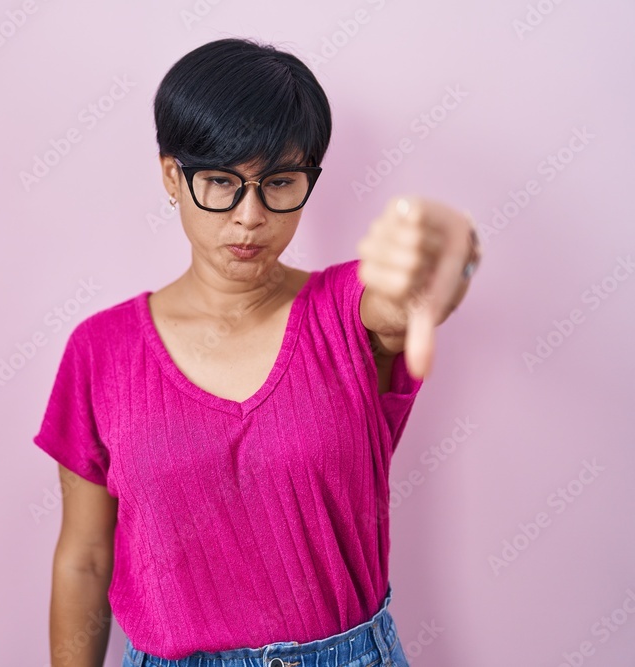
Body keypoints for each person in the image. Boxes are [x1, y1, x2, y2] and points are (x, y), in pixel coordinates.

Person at [33, 37, 480, 667]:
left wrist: (442, 249)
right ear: (172, 175)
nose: (250, 217)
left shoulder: (348, 312)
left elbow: (416, 294)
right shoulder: (101, 352)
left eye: (279, 183)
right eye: (220, 182)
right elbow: (84, 558)